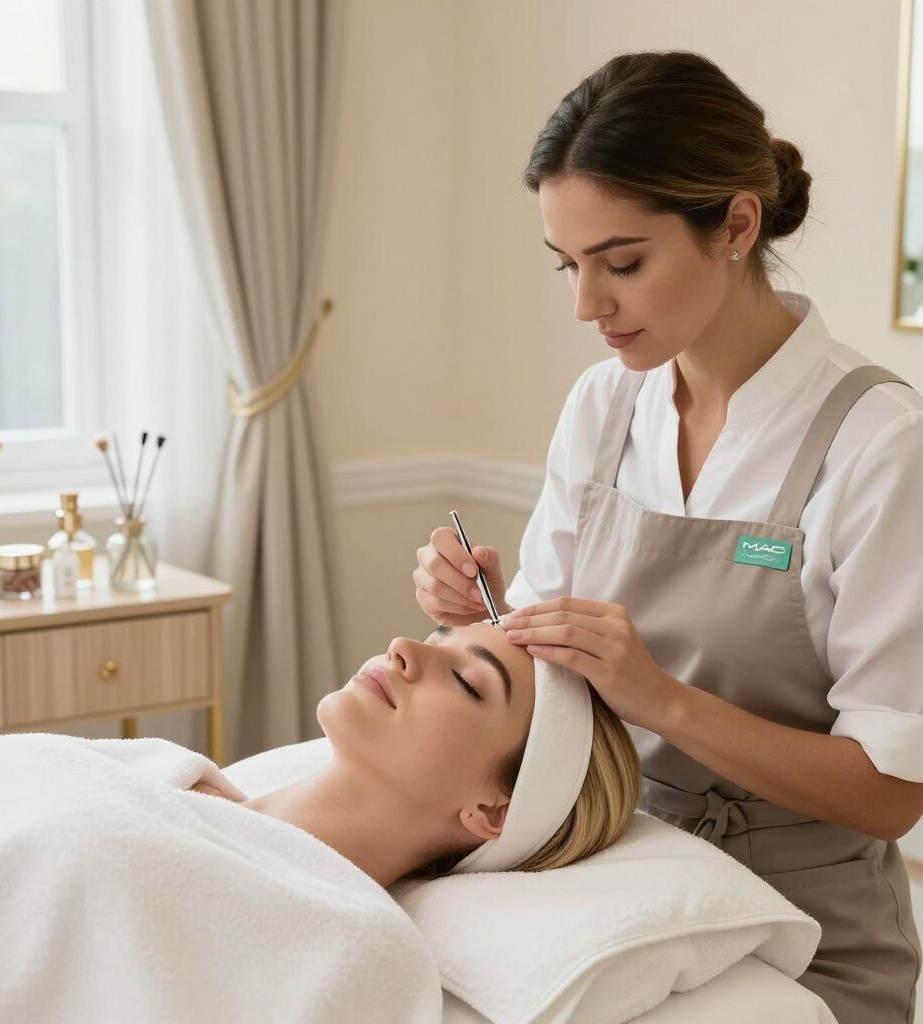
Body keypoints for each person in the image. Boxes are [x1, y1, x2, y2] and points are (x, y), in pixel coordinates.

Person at [414, 50, 923, 1022]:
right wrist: (487, 615)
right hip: (617, 885)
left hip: (809, 931)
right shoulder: (605, 407)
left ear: (735, 223)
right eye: (570, 266)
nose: (585, 305)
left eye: (623, 262)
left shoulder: (877, 445)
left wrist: (659, 698)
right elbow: (559, 677)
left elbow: (889, 794)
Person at [197, 619, 640, 886]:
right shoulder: (167, 779)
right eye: (434, 638)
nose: (401, 649)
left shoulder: (337, 944)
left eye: (466, 682)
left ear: (494, 810)